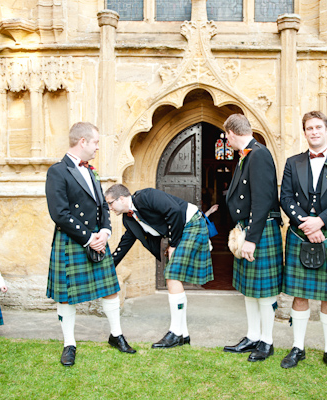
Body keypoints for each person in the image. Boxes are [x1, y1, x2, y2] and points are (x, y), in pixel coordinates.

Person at [45, 122, 135, 367]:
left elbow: (102, 206)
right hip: (75, 239)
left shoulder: (91, 170)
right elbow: (59, 213)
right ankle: (69, 343)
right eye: (95, 142)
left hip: (97, 238)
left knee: (110, 288)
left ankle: (116, 335)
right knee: (67, 296)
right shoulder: (58, 171)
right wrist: (88, 238)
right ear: (82, 141)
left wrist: (105, 231)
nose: (97, 147)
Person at [279, 111, 327, 373]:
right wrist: (306, 222)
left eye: (318, 127)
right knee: (300, 294)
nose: (314, 132)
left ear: (326, 129)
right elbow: (286, 198)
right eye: (309, 128)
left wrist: (320, 221)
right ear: (304, 132)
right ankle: (297, 347)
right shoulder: (293, 162)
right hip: (301, 232)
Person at [106, 184, 214, 348]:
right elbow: (126, 242)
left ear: (121, 198)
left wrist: (173, 244)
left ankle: (175, 333)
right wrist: (108, 267)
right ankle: (183, 334)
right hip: (182, 231)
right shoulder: (128, 218)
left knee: (172, 276)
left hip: (192, 224)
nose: (110, 208)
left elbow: (174, 211)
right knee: (173, 276)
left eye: (110, 203)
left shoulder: (145, 196)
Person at [221, 114, 283, 362]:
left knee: (264, 291)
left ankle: (266, 342)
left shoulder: (259, 154)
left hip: (259, 229)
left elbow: (262, 200)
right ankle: (252, 335)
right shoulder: (247, 155)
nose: (226, 139)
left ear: (232, 133)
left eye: (226, 135)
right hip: (248, 227)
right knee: (249, 289)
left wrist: (252, 239)